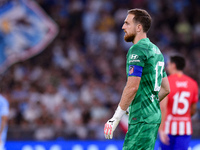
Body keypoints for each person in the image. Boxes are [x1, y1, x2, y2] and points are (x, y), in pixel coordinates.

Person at [104, 8, 170, 150]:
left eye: (127, 23)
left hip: (141, 119)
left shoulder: (137, 50)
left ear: (139, 27)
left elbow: (132, 86)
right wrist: (149, 102)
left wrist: (115, 118)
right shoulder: (156, 50)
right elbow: (166, 88)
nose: (123, 27)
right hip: (152, 117)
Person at [159, 55, 199, 150]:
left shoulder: (166, 82)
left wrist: (160, 129)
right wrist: (184, 116)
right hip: (185, 128)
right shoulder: (193, 83)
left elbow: (163, 107)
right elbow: (193, 108)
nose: (167, 67)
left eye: (168, 64)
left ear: (173, 65)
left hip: (168, 128)